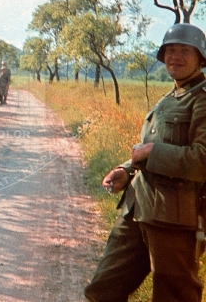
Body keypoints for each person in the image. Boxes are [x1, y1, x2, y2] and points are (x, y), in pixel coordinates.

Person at [85, 23, 206, 302]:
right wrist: (126, 170)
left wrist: (152, 152)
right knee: (103, 289)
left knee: (174, 295)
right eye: (170, 50)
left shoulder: (201, 99)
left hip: (174, 218)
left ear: (200, 57)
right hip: (136, 208)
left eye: (184, 51)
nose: (175, 57)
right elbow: (148, 152)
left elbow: (201, 159)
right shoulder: (171, 97)